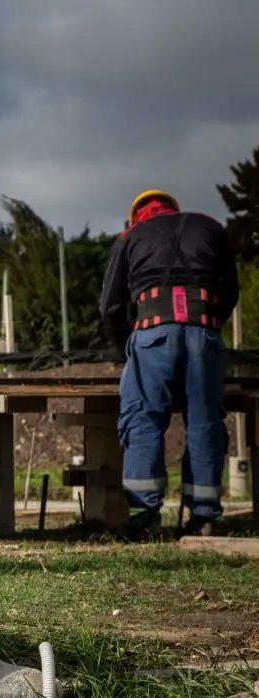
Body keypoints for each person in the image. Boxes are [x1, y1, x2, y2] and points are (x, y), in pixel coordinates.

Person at [100, 190, 239, 537]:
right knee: (204, 421)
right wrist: (208, 326)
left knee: (144, 418)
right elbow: (232, 290)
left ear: (138, 215)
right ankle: (204, 516)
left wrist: (125, 351)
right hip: (203, 332)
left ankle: (145, 516)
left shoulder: (130, 237)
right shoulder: (211, 229)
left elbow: (110, 307)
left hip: (151, 334)